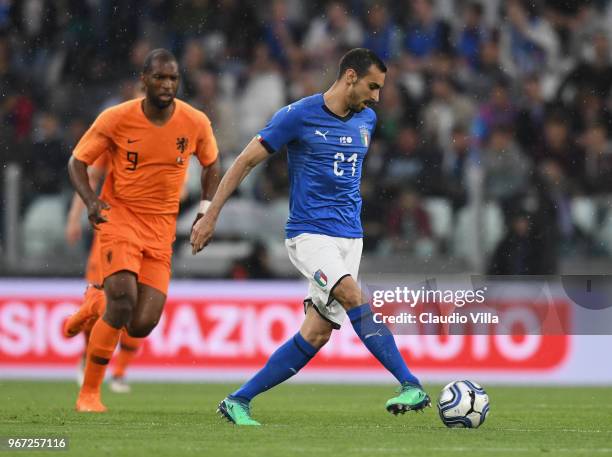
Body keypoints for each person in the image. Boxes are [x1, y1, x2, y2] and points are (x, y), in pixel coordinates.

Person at [191, 48, 430, 426]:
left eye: (381, 89)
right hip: (310, 235)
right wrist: (210, 214)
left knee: (316, 334)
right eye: (372, 86)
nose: (377, 97)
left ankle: (237, 400)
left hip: (351, 238)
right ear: (349, 76)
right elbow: (245, 161)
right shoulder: (298, 115)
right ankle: (411, 383)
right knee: (353, 295)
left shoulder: (366, 120)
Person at [68, 48, 221, 412]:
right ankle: (89, 393)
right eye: (159, 78)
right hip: (119, 217)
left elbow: (212, 165)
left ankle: (95, 301)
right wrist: (91, 201)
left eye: (172, 78)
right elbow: (77, 162)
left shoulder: (195, 121)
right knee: (122, 298)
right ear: (144, 79)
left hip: (161, 229)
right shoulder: (116, 118)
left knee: (140, 325)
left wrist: (204, 212)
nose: (167, 85)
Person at [64, 153, 142, 394]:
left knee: (139, 306)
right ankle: (88, 355)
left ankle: (119, 373)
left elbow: (179, 191)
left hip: (145, 233)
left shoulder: (168, 141)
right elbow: (91, 177)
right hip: (111, 232)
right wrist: (74, 217)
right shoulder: (117, 140)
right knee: (101, 299)